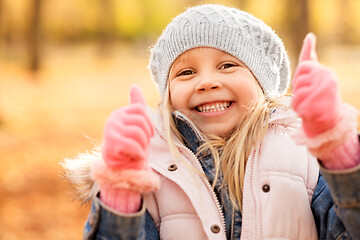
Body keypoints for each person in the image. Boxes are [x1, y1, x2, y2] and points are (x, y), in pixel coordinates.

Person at [63, 4, 360, 240]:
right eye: (185, 72)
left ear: (262, 82)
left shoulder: (304, 156)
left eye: (227, 65)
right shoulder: (149, 170)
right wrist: (121, 185)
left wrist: (339, 150)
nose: (206, 82)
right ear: (167, 94)